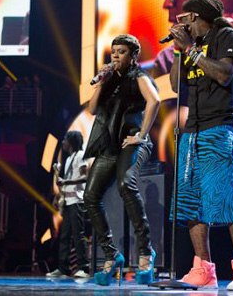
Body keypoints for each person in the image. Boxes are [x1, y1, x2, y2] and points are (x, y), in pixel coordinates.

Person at [168, 0, 233, 290]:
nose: (179, 23)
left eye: (182, 19)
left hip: (219, 126)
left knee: (224, 196)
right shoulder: (189, 47)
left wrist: (191, 50)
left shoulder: (224, 34)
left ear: (193, 17)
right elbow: (173, 85)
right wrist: (179, 52)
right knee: (190, 201)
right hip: (191, 129)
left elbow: (223, 74)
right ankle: (204, 269)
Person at [84, 34, 160, 286]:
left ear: (133, 56)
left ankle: (146, 251)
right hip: (109, 146)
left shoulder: (139, 77)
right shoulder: (109, 80)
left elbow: (155, 101)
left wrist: (141, 135)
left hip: (131, 142)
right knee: (91, 196)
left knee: (126, 185)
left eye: (122, 51)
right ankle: (111, 254)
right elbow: (92, 109)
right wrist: (100, 83)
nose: (116, 55)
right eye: (113, 51)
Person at [46, 131, 90, 278]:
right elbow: (64, 184)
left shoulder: (80, 156)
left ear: (71, 142)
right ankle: (63, 268)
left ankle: (83, 267)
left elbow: (85, 177)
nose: (63, 142)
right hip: (69, 201)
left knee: (78, 235)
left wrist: (66, 181)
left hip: (77, 201)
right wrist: (58, 174)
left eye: (65, 139)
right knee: (64, 236)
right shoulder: (70, 158)